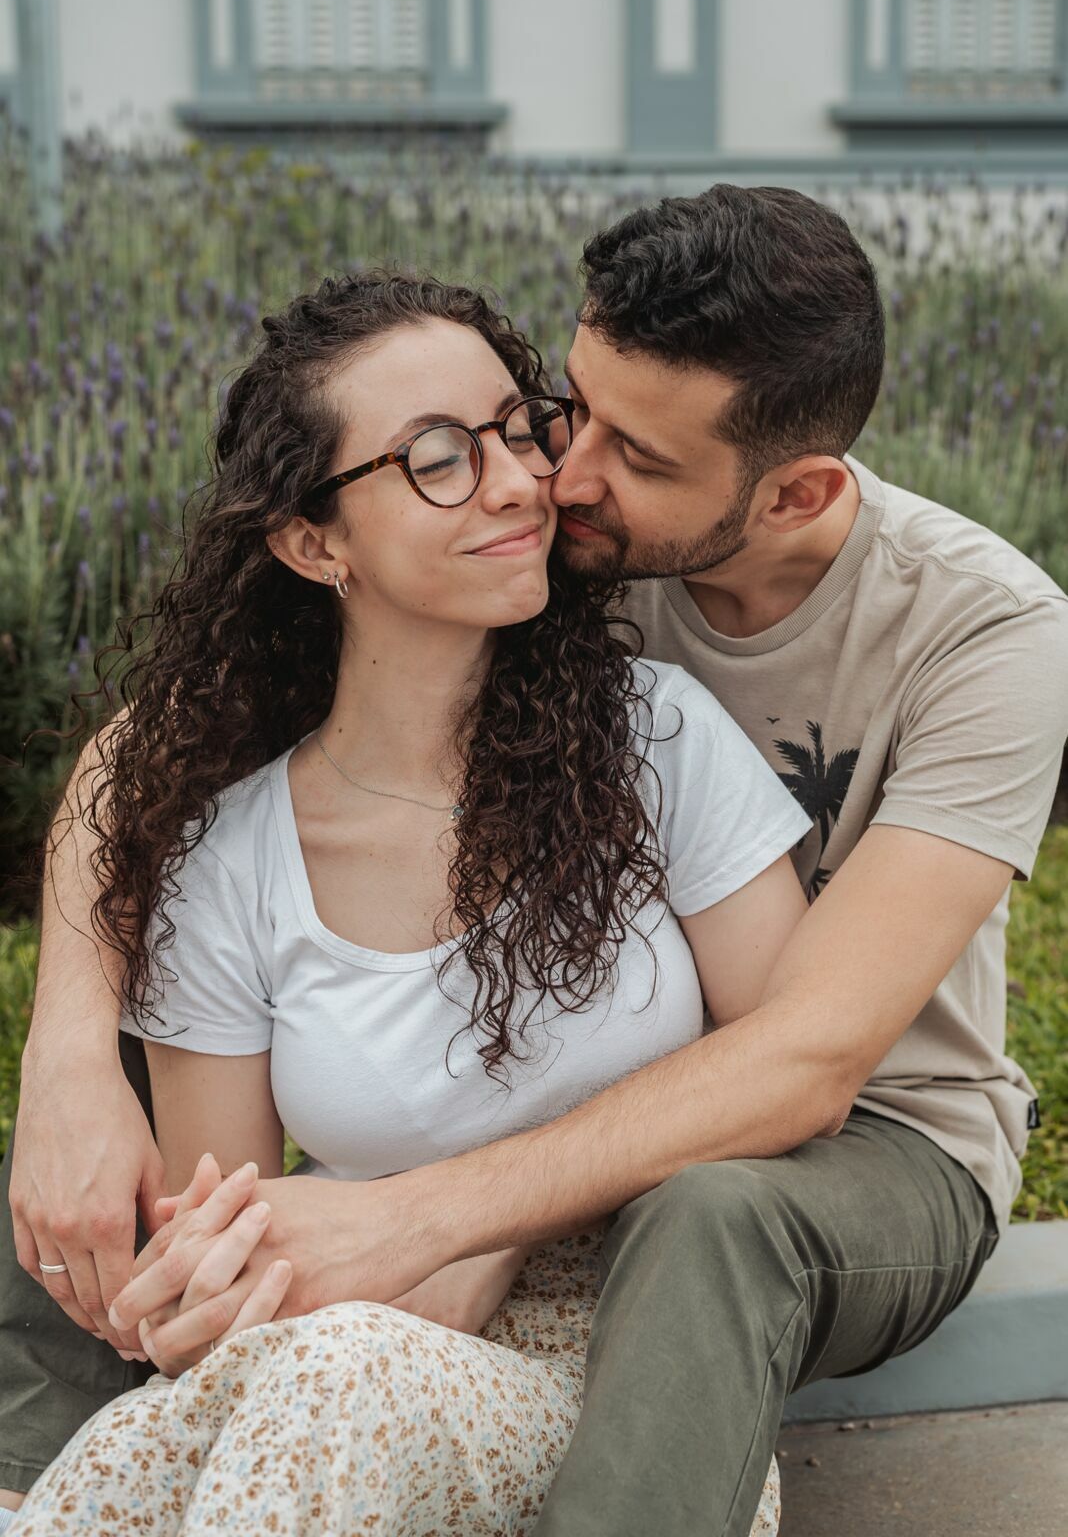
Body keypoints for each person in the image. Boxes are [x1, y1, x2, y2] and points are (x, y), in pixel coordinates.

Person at [4, 184, 1068, 1537]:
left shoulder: (989, 635)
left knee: (709, 1221)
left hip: (864, 1135)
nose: (555, 476)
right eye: (563, 407)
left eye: (631, 452)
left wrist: (435, 1219)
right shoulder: (538, 541)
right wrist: (66, 1053)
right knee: (97, 1131)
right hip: (540, 1198)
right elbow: (142, 763)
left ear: (794, 490)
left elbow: (811, 1057)